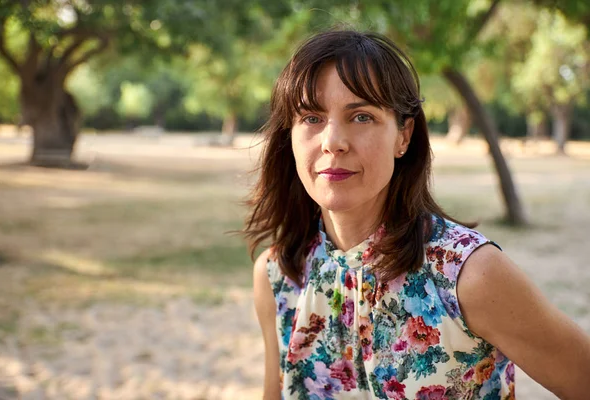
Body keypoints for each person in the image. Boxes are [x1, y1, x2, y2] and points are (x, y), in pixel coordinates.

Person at [245, 30, 590, 400]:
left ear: (403, 136)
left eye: (361, 116)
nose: (333, 142)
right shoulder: (278, 275)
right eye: (311, 118)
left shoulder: (469, 276)